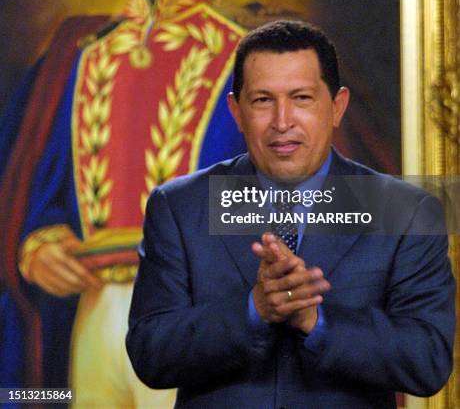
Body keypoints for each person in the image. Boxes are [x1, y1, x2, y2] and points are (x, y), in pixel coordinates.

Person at [0, 0, 253, 407]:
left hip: (197, 316)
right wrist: (39, 243)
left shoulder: (249, 56)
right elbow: (42, 195)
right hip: (94, 317)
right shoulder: (80, 58)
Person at [127, 20, 455, 408]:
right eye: (263, 100)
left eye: (301, 98)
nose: (282, 123)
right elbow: (151, 353)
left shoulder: (407, 212)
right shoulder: (179, 206)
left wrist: (317, 322)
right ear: (237, 110)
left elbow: (427, 361)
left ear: (337, 107)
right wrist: (253, 311)